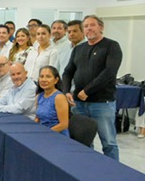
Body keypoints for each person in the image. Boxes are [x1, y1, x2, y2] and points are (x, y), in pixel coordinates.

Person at [62, 15, 123, 161]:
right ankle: (87, 166)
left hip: (102, 103)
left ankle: (113, 170)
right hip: (79, 104)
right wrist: (66, 91)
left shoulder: (111, 46)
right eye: (86, 26)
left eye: (92, 25)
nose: (89, 28)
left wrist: (87, 91)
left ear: (101, 27)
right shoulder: (78, 49)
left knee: (108, 142)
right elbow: (67, 72)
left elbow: (109, 72)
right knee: (83, 141)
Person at [35, 66, 69, 136]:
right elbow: (37, 119)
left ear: (56, 80)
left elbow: (64, 124)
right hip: (42, 133)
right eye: (41, 76)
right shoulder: (39, 96)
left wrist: (44, 133)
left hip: (56, 135)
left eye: (48, 77)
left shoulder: (59, 97)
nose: (44, 80)